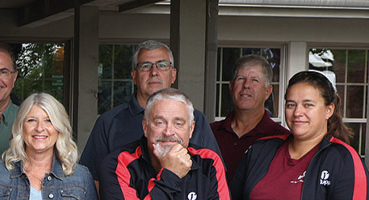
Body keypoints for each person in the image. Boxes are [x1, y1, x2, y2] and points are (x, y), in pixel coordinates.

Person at [80, 40, 220, 185]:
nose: (154, 72)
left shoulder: (196, 119)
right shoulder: (109, 122)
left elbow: (213, 173)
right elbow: (93, 180)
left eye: (162, 65)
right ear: (134, 76)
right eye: (145, 66)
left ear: (173, 75)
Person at [231, 71, 368, 200]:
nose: (297, 112)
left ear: (329, 110)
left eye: (308, 105)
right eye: (291, 105)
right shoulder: (259, 150)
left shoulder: (345, 160)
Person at [99, 88, 230, 200]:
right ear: (145, 127)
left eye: (178, 123)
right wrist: (170, 176)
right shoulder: (118, 164)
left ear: (191, 129)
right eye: (159, 123)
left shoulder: (209, 162)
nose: (168, 132)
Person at [0, 93, 97, 200]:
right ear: (21, 127)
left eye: (48, 120)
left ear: (59, 128)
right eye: (31, 120)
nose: (39, 128)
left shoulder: (81, 176)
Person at [210, 55, 289, 181]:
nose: (246, 85)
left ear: (267, 92)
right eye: (241, 78)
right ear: (231, 87)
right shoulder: (210, 133)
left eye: (255, 80)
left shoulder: (282, 140)